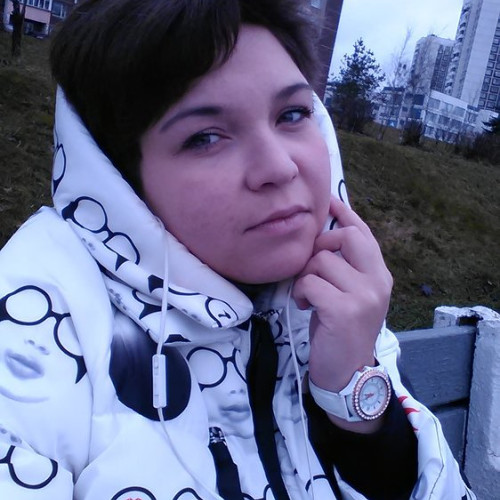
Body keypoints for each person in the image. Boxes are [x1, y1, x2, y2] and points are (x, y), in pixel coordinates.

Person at [0, 0, 474, 498]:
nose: (280, 167)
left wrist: (352, 388)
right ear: (116, 174)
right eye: (205, 137)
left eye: (292, 114)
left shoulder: (335, 298)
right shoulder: (36, 320)